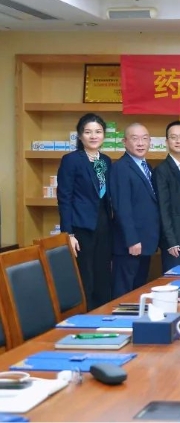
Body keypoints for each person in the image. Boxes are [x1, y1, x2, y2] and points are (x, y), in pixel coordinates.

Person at [56, 113, 113, 309]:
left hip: (104, 225)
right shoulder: (71, 160)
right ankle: (86, 316)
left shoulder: (106, 160)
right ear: (80, 136)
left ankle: (103, 315)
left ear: (104, 135)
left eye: (98, 132)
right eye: (88, 132)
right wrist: (68, 233)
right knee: (85, 276)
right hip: (81, 227)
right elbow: (64, 198)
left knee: (103, 275)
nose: (93, 136)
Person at [109, 123, 159, 297]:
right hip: (130, 244)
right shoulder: (120, 168)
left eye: (145, 138)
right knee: (124, 292)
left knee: (138, 290)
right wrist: (132, 240)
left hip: (145, 241)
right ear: (124, 142)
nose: (140, 143)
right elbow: (122, 207)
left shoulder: (146, 166)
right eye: (135, 138)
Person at [153, 120, 180, 273]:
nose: (178, 141)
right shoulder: (161, 171)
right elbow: (163, 209)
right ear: (167, 141)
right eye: (173, 137)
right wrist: (171, 241)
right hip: (175, 242)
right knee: (176, 281)